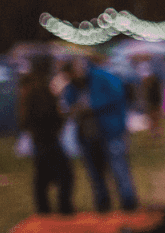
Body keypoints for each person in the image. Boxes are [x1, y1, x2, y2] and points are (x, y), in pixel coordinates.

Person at [62, 55, 138, 212]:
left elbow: (118, 94)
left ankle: (129, 205)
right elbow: (69, 104)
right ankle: (103, 206)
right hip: (88, 136)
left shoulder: (102, 77)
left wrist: (92, 105)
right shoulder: (72, 86)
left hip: (111, 132)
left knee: (119, 170)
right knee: (96, 175)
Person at [17, 55, 75, 214]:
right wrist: (60, 118)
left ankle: (45, 211)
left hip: (40, 138)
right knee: (64, 175)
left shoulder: (31, 89)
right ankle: (63, 208)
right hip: (47, 138)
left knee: (43, 177)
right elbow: (47, 114)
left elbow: (25, 120)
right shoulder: (40, 89)